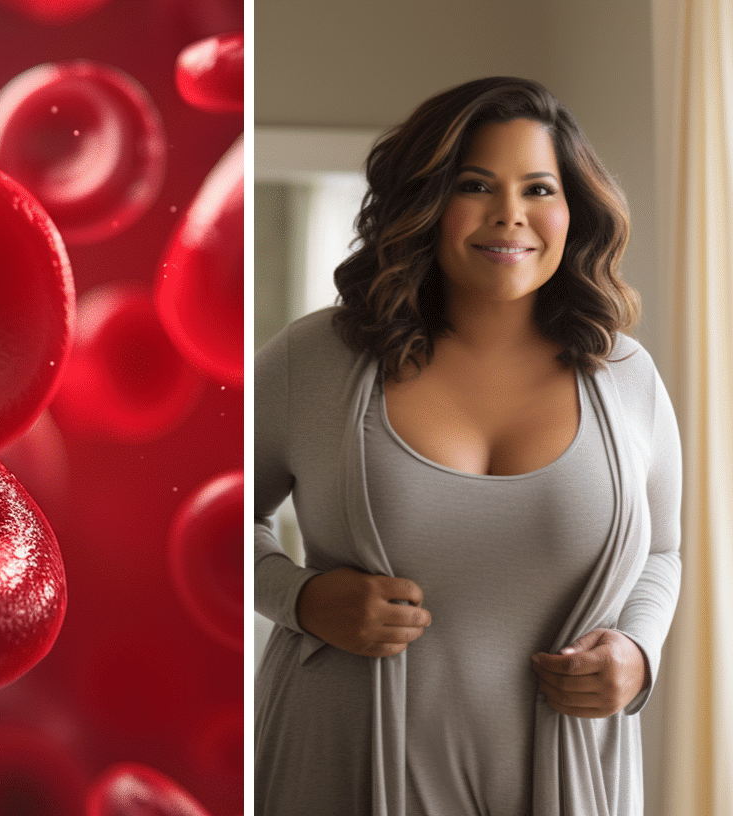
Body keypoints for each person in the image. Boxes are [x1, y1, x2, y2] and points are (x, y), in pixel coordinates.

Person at [253, 76, 681, 816]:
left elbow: (662, 553)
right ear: (425, 201)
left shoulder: (627, 378)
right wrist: (301, 599)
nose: (511, 215)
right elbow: (210, 519)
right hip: (340, 773)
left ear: (573, 209)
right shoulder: (313, 359)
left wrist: (638, 657)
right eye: (476, 185)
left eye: (539, 188)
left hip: (572, 783)